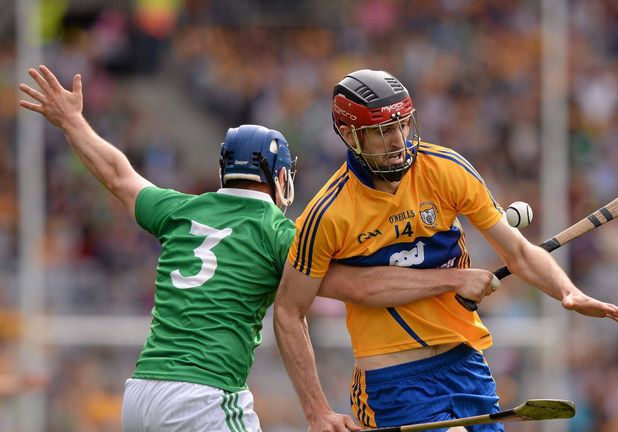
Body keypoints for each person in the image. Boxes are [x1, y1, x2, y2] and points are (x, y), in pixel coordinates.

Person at [19, 65, 501, 432]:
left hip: (140, 395)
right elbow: (358, 286)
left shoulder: (179, 210)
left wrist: (72, 123)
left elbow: (117, 175)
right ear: (282, 176)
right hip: (204, 396)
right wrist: (450, 276)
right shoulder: (280, 233)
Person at [273, 69, 618, 432]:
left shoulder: (445, 169)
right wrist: (316, 410)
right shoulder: (328, 213)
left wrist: (568, 292)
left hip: (466, 363)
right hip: (395, 382)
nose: (398, 140)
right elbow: (290, 310)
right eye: (383, 132)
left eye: (403, 125)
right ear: (351, 135)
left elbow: (520, 254)